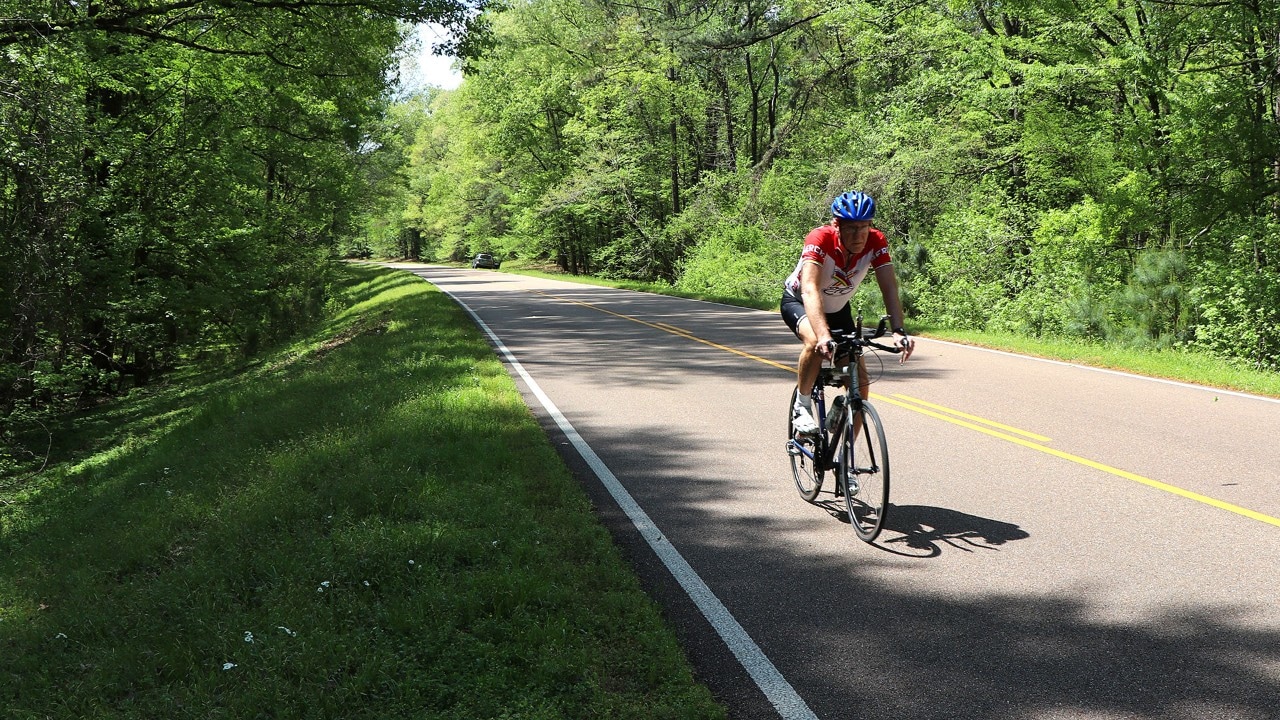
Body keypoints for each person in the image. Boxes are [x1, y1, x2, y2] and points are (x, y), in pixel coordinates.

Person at [781, 191, 914, 435]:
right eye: (851, 228)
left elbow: (889, 287)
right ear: (836, 225)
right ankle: (802, 405)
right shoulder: (820, 238)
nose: (859, 235)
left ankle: (845, 465)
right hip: (800, 302)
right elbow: (810, 289)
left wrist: (898, 329)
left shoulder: (876, 242)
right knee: (812, 341)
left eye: (864, 227)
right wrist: (823, 335)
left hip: (838, 310)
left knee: (859, 387)